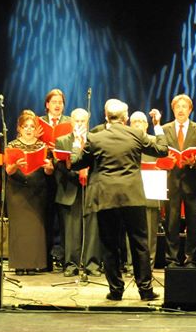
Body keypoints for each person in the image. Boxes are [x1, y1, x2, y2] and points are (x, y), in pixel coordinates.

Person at [71, 98, 168, 300]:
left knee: (109, 245)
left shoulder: (95, 138)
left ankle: (115, 291)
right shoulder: (137, 134)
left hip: (105, 198)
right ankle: (145, 290)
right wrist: (157, 126)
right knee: (139, 244)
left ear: (106, 117)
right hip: (132, 197)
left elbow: (76, 163)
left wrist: (76, 143)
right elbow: (162, 150)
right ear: (125, 118)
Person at [149, 95, 196, 268]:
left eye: (184, 107)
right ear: (173, 109)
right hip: (171, 181)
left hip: (192, 181)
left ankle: (191, 259)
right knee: (171, 222)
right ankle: (172, 259)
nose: (181, 110)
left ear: (190, 110)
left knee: (192, 222)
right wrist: (167, 159)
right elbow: (159, 153)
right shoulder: (164, 129)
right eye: (177, 107)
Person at [54, 108, 102, 277]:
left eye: (83, 121)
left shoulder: (95, 140)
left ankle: (92, 264)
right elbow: (59, 167)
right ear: (71, 122)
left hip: (90, 188)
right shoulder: (62, 141)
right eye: (77, 121)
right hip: (70, 189)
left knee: (92, 228)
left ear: (88, 123)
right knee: (71, 230)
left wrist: (89, 172)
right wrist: (76, 172)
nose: (80, 124)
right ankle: (71, 264)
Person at [5, 110, 52, 274]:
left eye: (32, 126)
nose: (29, 129)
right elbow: (8, 171)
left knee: (35, 228)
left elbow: (49, 172)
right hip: (17, 189)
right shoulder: (12, 145)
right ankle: (19, 264)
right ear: (19, 128)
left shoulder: (42, 146)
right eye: (25, 126)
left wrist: (48, 167)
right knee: (19, 228)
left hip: (37, 189)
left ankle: (33, 264)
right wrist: (16, 165)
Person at [39, 89, 71, 270]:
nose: (58, 105)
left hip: (64, 173)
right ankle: (45, 260)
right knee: (46, 217)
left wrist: (58, 148)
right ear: (47, 104)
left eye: (60, 102)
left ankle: (66, 257)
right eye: (54, 102)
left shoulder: (69, 122)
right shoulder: (39, 122)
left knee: (64, 218)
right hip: (43, 174)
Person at [129, 111, 163, 267]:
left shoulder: (154, 141)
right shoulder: (126, 140)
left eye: (141, 121)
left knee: (150, 231)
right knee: (131, 231)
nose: (137, 124)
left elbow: (165, 158)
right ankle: (132, 264)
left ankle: (148, 265)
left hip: (152, 187)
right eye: (134, 121)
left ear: (146, 125)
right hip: (131, 190)